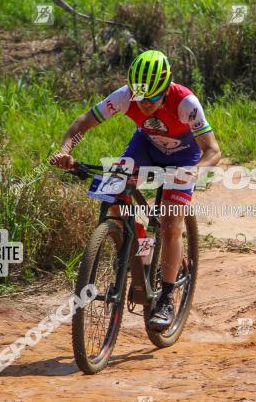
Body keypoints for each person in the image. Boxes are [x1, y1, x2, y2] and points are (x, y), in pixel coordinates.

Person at [50, 50, 222, 329]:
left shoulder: (186, 103)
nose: (142, 104)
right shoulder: (125, 96)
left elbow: (213, 150)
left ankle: (166, 298)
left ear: (165, 91)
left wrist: (196, 170)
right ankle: (138, 251)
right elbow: (84, 122)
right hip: (145, 147)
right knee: (113, 194)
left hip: (184, 158)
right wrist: (65, 150)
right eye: (138, 97)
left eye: (150, 99)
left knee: (170, 223)